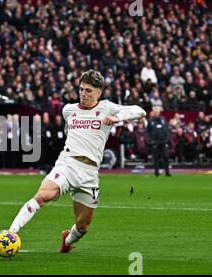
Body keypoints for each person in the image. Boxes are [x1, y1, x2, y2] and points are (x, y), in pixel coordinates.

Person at [8, 70, 146, 253]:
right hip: (68, 164)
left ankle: (68, 240)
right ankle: (10, 233)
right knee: (43, 195)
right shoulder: (69, 110)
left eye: (88, 90)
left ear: (99, 92)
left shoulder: (106, 108)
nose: (83, 93)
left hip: (89, 173)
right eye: (81, 89)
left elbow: (140, 111)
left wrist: (117, 118)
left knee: (82, 227)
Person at [146, 107, 171, 176]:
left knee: (166, 157)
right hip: (155, 142)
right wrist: (150, 141)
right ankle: (156, 172)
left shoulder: (163, 119)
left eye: (158, 112)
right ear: (153, 112)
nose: (156, 113)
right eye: (155, 112)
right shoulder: (150, 121)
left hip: (163, 141)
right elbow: (147, 132)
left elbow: (167, 129)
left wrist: (167, 138)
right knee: (156, 158)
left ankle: (167, 172)